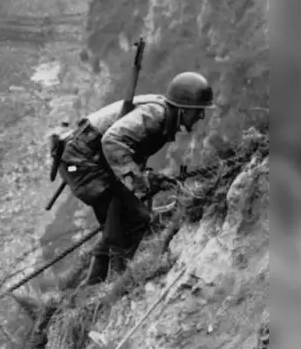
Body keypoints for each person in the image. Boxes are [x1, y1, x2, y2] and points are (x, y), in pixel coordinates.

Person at [57, 71, 215, 285]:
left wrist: (147, 178)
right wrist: (141, 182)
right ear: (183, 109)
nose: (201, 116)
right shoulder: (155, 115)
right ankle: (113, 280)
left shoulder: (162, 117)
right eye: (198, 110)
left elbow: (129, 152)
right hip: (83, 164)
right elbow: (112, 141)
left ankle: (97, 282)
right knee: (131, 217)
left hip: (92, 162)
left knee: (119, 215)